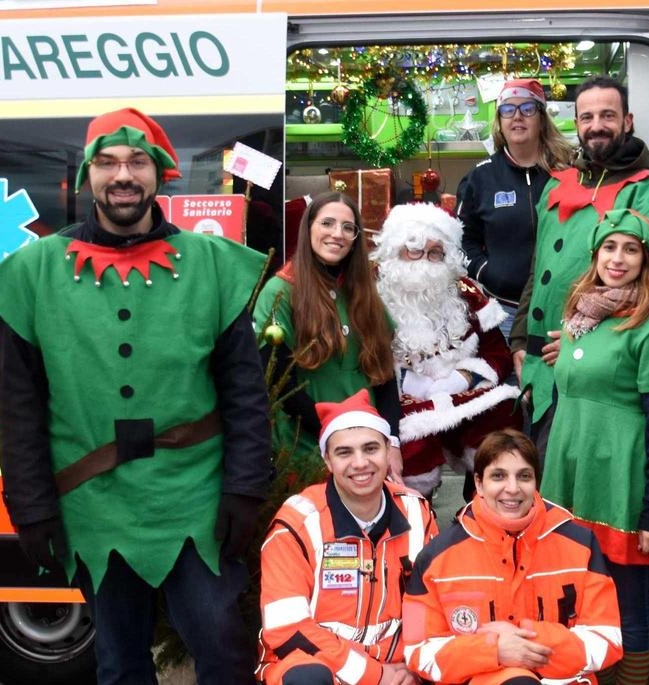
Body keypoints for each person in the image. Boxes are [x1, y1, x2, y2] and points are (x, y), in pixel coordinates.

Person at [0, 108, 271, 684]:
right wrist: (32, 506)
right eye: (107, 163)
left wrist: (244, 487)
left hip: (193, 496)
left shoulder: (209, 265)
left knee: (222, 648)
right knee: (119, 662)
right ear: (87, 177)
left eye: (136, 161)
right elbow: (17, 404)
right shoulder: (32, 273)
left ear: (161, 172)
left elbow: (244, 391)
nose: (122, 175)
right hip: (91, 502)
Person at [541, 209, 649, 684]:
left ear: (647, 261)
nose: (618, 257)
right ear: (595, 255)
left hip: (621, 485)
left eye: (631, 249)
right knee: (579, 597)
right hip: (572, 479)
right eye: (610, 247)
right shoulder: (578, 318)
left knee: (629, 603)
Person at [510, 75, 649, 456]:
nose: (596, 126)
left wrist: (584, 342)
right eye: (586, 117)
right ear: (576, 123)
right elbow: (538, 273)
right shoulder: (556, 187)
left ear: (628, 120)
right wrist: (520, 340)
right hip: (539, 371)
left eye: (608, 115)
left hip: (600, 377)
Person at [401, 429, 623, 685]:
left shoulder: (581, 545)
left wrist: (527, 640)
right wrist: (493, 650)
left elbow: (609, 638)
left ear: (536, 482)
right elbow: (417, 651)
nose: (512, 488)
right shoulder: (434, 557)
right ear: (478, 483)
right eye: (498, 476)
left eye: (524, 476)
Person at [258, 389, 437, 685]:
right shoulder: (297, 524)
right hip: (320, 665)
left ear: (388, 451)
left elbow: (429, 601)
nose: (360, 463)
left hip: (398, 667)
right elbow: (287, 628)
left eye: (370, 448)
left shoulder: (417, 513)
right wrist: (373, 675)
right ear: (327, 460)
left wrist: (412, 664)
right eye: (344, 452)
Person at [372, 203, 520, 499]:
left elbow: (498, 354)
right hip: (397, 400)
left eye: (435, 253)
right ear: (394, 251)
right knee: (412, 447)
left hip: (458, 392)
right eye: (414, 250)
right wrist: (404, 383)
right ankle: (415, 511)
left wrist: (465, 377)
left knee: (501, 416)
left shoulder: (465, 293)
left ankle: (486, 503)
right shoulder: (372, 295)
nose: (425, 262)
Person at [255, 191, 402, 479]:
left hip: (368, 449)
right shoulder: (280, 291)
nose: (338, 234)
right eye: (327, 223)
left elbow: (384, 377)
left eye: (348, 228)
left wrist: (391, 441)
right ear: (308, 227)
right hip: (309, 450)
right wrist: (336, 434)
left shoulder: (364, 292)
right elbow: (279, 383)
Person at [458, 78, 575, 340]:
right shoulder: (480, 178)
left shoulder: (568, 173)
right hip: (503, 313)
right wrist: (486, 271)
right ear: (499, 120)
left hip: (561, 308)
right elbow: (461, 238)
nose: (517, 117)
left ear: (541, 118)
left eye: (528, 109)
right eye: (508, 110)